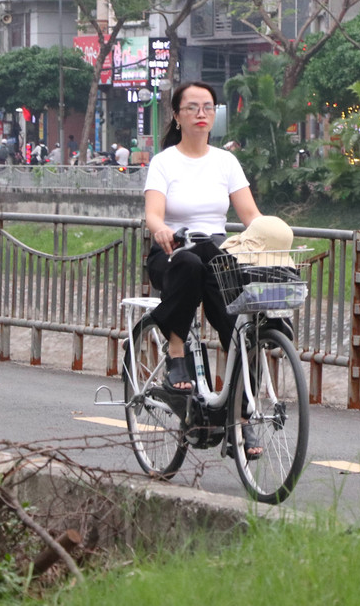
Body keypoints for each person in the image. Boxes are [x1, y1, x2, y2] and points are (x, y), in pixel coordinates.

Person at [143, 81, 262, 455]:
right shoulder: (164, 162)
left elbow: (250, 216)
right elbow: (153, 213)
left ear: (215, 115)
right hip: (172, 252)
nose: (200, 113)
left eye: (207, 107)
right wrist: (161, 229)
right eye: (192, 107)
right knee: (190, 263)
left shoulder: (226, 161)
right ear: (177, 116)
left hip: (215, 251)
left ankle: (240, 419)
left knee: (240, 325)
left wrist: (269, 237)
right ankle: (177, 355)